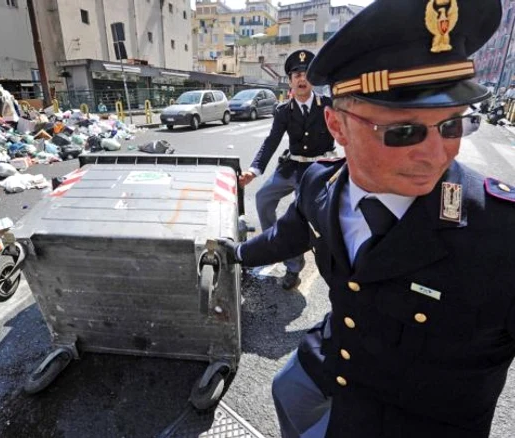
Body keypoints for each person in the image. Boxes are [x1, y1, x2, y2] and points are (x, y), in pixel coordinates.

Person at [218, 0, 514, 436]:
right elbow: (287, 234)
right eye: (403, 132)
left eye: (452, 125)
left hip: (419, 416)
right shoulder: (320, 185)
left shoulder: (502, 231)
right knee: (287, 389)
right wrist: (234, 253)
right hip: (335, 355)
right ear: (337, 127)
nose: (438, 155)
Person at [239, 50, 337, 290]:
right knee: (263, 198)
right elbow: (271, 141)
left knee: (313, 217)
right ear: (290, 81)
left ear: (312, 78)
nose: (301, 79)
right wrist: (254, 169)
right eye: (296, 75)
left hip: (318, 168)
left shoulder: (327, 105)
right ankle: (284, 254)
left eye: (305, 74)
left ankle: (314, 270)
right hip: (291, 166)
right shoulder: (283, 111)